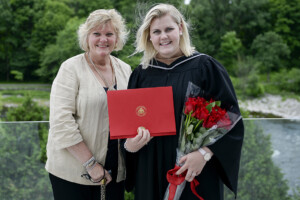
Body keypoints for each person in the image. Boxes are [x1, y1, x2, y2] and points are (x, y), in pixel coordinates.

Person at [123, 4, 244, 200]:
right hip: (150, 167)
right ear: (149, 37)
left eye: (169, 29)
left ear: (180, 29)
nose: (164, 36)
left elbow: (230, 117)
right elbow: (129, 125)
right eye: (156, 31)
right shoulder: (141, 74)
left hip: (193, 168)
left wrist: (204, 154)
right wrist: (130, 146)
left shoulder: (205, 67)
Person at [45, 9, 131, 200]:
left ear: (117, 39)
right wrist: (91, 164)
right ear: (87, 37)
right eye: (97, 34)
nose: (103, 39)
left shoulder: (125, 69)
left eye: (109, 34)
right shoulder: (70, 68)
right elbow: (61, 122)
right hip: (74, 172)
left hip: (115, 172)